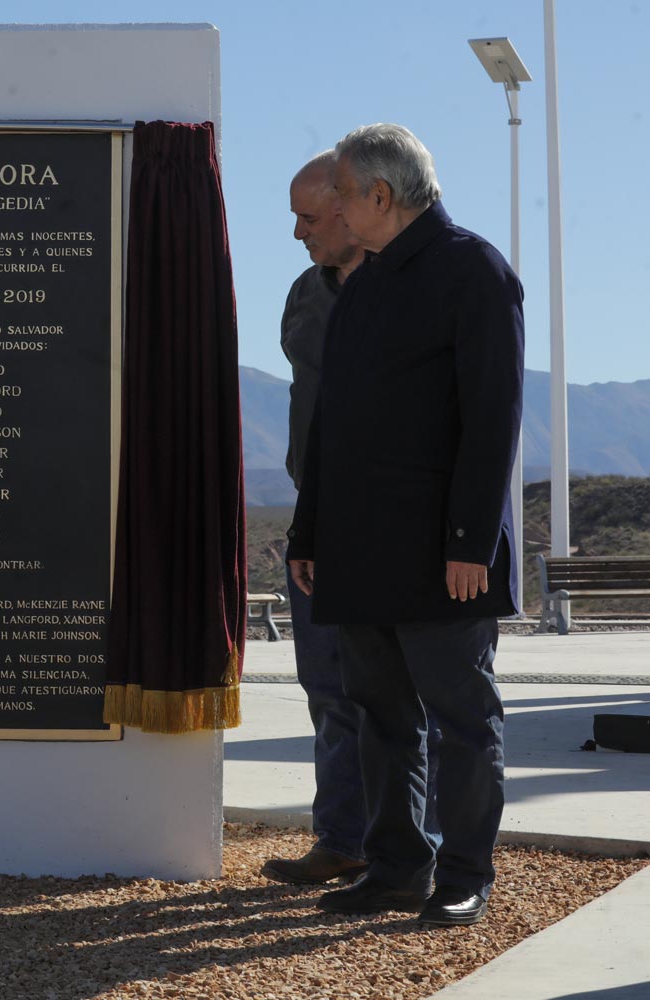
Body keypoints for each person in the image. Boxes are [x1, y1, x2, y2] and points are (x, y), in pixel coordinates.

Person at [287, 124, 522, 928]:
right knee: (380, 719)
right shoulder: (361, 288)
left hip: (441, 556)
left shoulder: (473, 270)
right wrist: (309, 533)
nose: (335, 213)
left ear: (381, 197)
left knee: (461, 721)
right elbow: (330, 428)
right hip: (358, 552)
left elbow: (492, 419)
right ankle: (394, 870)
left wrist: (470, 545)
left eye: (343, 196)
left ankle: (464, 875)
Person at [261, 151, 439, 887]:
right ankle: (342, 836)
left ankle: (409, 853)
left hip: (392, 520)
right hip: (319, 516)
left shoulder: (414, 289)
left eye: (309, 218)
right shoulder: (308, 290)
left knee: (396, 697)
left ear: (352, 207)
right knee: (328, 687)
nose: (298, 233)